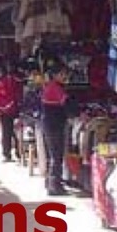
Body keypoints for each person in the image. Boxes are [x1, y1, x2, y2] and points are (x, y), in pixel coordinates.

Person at [41, 62, 70, 196]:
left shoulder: (51, 86)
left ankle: (50, 183)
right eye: (62, 74)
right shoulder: (55, 88)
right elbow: (66, 103)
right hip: (54, 125)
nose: (64, 76)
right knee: (56, 155)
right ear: (55, 75)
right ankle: (54, 186)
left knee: (53, 155)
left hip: (50, 123)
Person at [0, 59, 23, 162]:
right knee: (12, 132)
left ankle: (11, 153)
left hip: (9, 111)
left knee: (9, 132)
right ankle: (15, 153)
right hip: (10, 111)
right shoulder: (5, 83)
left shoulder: (2, 83)